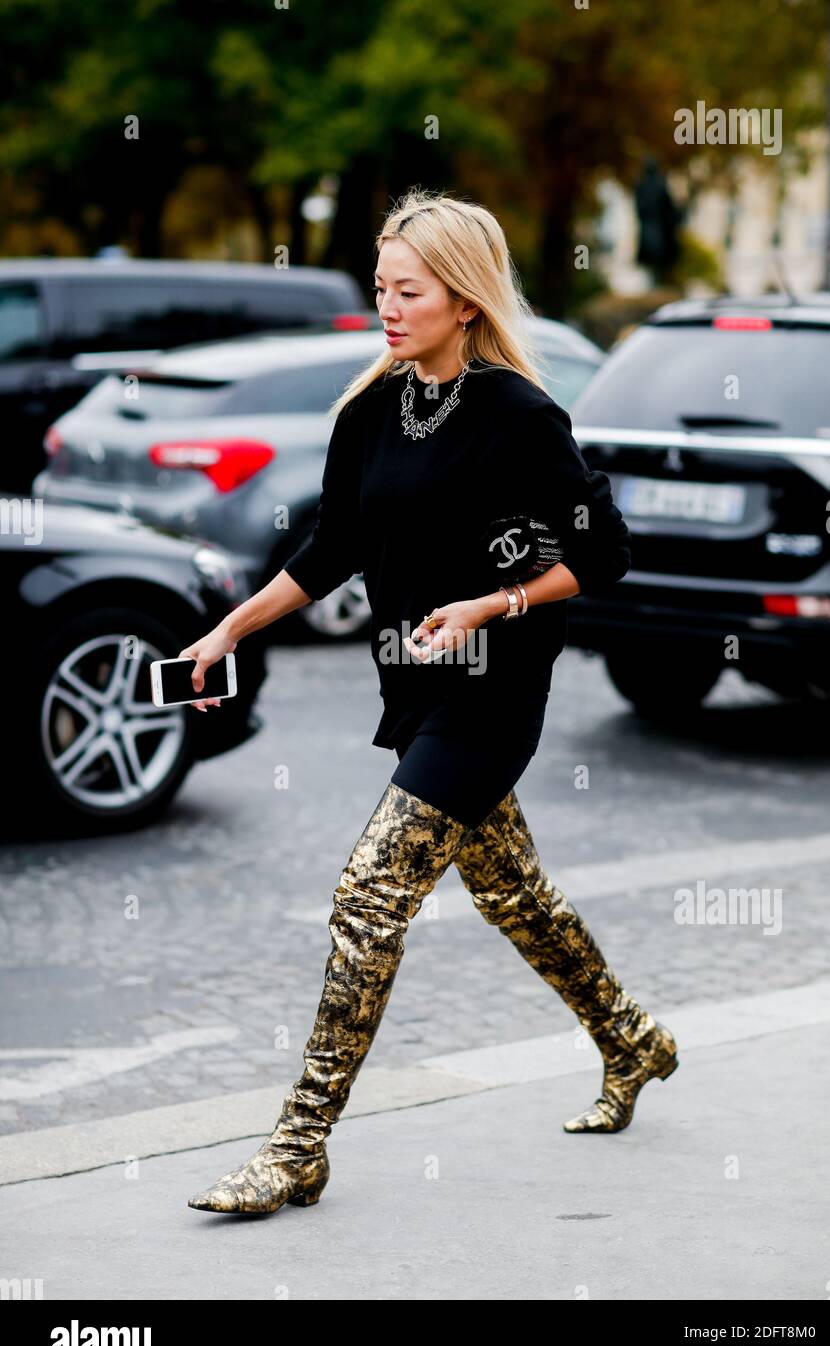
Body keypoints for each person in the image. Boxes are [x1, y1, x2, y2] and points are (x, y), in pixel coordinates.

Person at [184, 188, 678, 1217]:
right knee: (512, 894)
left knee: (367, 898)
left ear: (463, 297)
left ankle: (298, 1144)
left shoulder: (518, 415)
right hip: (412, 687)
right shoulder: (368, 411)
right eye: (380, 289)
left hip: (492, 698)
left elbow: (601, 554)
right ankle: (630, 1039)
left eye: (408, 290)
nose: (388, 308)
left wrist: (493, 601)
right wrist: (233, 624)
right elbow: (330, 552)